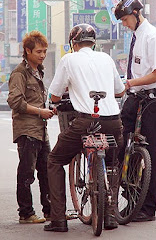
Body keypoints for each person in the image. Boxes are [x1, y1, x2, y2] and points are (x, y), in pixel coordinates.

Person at [44, 24, 125, 232]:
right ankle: (110, 215)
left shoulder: (69, 59)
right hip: (113, 122)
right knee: (112, 164)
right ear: (94, 42)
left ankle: (58, 219)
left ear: (74, 43)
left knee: (54, 160)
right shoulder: (106, 59)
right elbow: (119, 91)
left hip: (85, 122)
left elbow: (54, 95)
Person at [114, 0, 156, 222]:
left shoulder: (152, 36)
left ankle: (148, 208)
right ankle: (128, 197)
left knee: (150, 153)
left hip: (152, 101)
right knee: (118, 140)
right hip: (135, 98)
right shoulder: (137, 36)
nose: (125, 25)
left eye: (126, 19)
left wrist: (131, 83)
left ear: (136, 14)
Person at [7, 30, 54, 224]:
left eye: (44, 51)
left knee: (48, 171)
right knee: (26, 174)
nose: (42, 55)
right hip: (27, 131)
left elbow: (37, 100)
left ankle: (51, 211)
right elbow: (15, 101)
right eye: (39, 52)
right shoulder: (20, 73)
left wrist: (48, 109)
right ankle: (25, 213)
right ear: (27, 51)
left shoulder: (38, 71)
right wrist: (39, 112)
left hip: (41, 130)